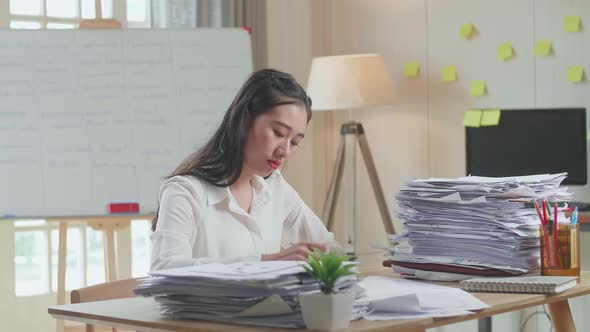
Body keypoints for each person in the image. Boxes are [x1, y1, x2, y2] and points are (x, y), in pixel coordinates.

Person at [150, 69, 341, 271]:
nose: (284, 151)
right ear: (245, 120)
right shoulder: (185, 191)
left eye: (295, 142)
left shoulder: (275, 186)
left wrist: (325, 256)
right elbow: (165, 267)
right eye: (278, 133)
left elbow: (327, 245)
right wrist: (267, 262)